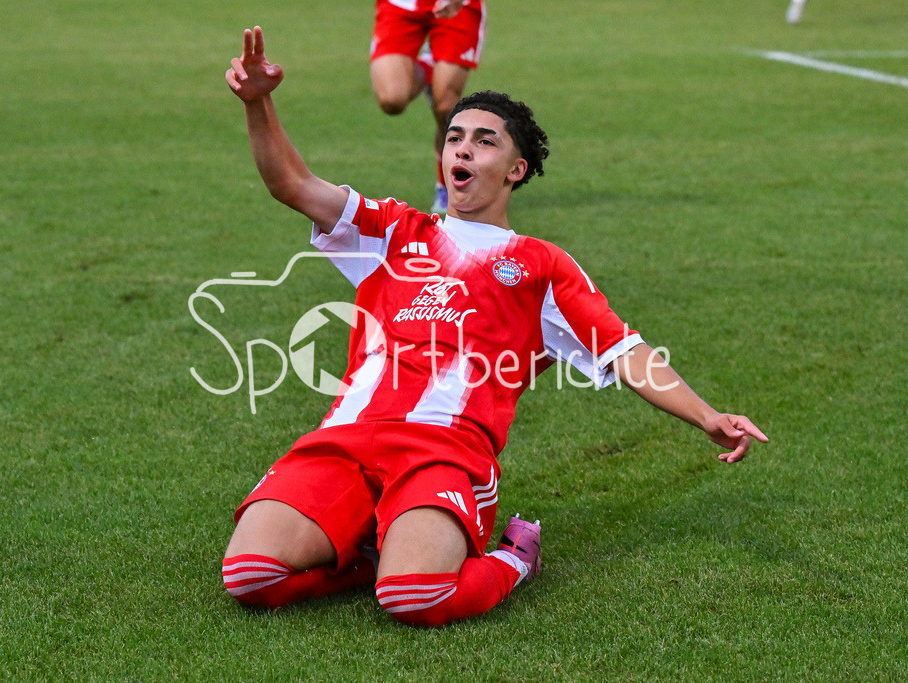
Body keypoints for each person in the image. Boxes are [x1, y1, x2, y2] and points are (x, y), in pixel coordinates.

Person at [221, 26, 768, 628]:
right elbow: (292, 185)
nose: (462, 150)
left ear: (515, 169)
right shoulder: (395, 232)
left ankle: (514, 557)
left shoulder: (541, 265)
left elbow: (624, 351)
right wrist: (257, 102)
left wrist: (707, 416)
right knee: (250, 575)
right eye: (455, 138)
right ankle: (361, 557)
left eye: (484, 142)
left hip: (443, 452)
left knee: (412, 597)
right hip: (346, 440)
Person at [369, 0, 487, 214]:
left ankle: (446, 185)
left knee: (446, 108)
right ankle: (429, 66)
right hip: (400, 5)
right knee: (392, 100)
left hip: (457, 6)